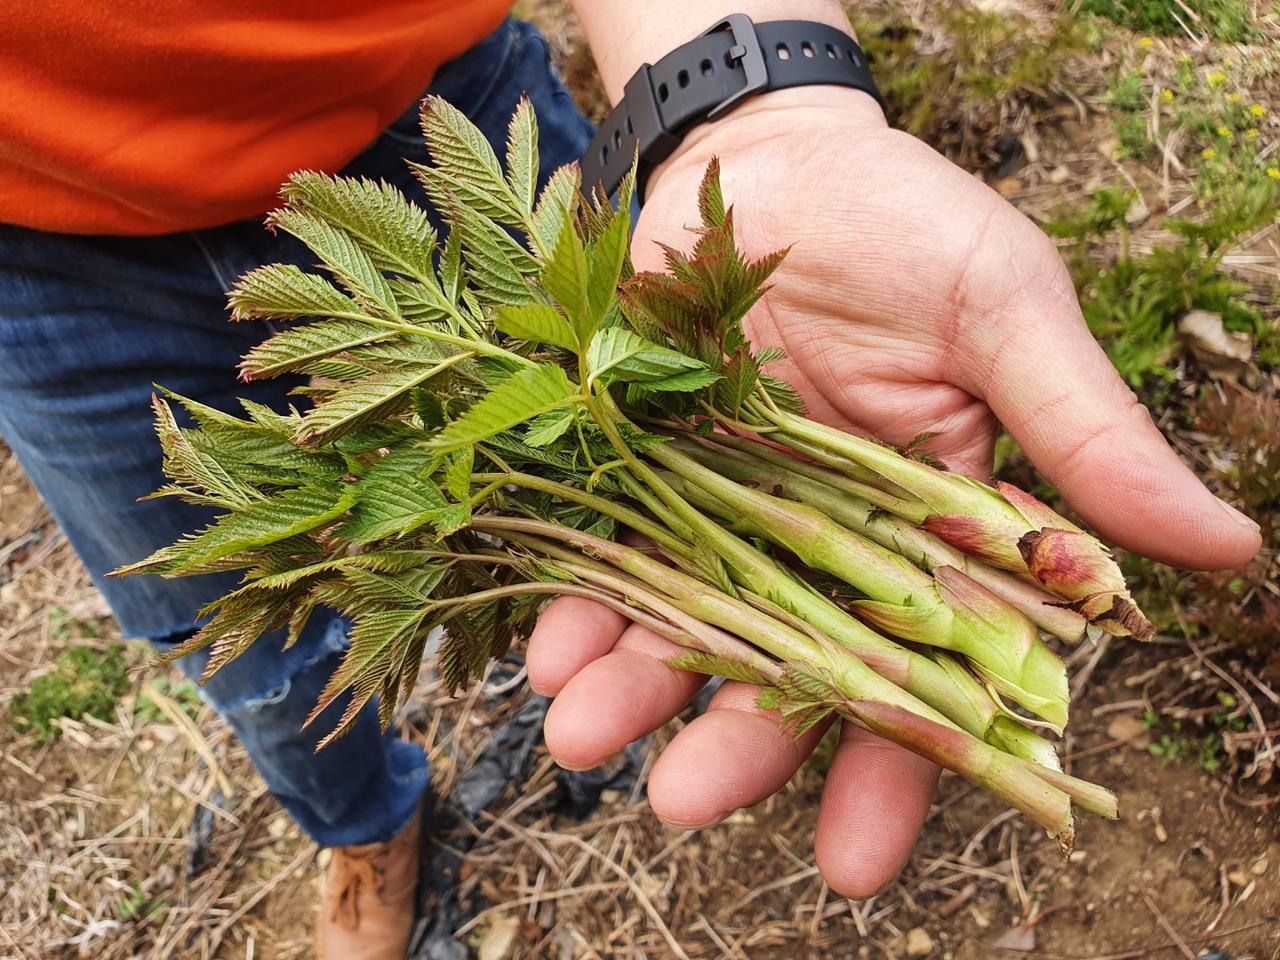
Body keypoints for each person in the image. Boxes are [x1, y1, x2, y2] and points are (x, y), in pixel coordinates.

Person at [0, 1, 1260, 957]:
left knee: (616, 424)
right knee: (238, 635)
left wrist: (766, 108)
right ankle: (361, 827)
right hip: (34, 261)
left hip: (419, 93)